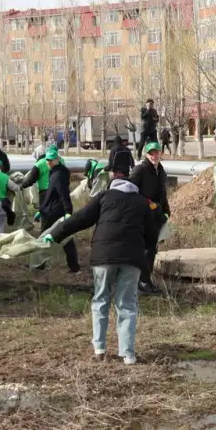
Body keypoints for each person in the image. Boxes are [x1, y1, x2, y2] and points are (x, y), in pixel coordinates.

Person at [44, 151, 160, 365]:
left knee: (101, 300)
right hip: (132, 259)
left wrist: (54, 234)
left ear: (113, 175)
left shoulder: (104, 197)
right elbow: (152, 237)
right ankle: (128, 354)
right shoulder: (142, 203)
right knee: (127, 304)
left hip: (103, 257)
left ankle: (99, 349)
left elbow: (80, 219)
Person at [129, 142, 169, 295]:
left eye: (156, 153)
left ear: (160, 153)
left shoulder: (160, 170)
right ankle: (143, 282)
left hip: (156, 215)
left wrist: (166, 211)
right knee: (147, 249)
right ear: (146, 155)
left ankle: (142, 280)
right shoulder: (140, 170)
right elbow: (130, 190)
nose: (154, 156)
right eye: (151, 153)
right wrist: (146, 203)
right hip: (143, 215)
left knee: (151, 248)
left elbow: (162, 193)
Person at [34, 148, 80, 272]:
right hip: (53, 209)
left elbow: (63, 194)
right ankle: (74, 266)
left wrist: (68, 212)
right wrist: (41, 210)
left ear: (57, 159)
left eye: (51, 160)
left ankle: (39, 265)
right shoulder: (57, 172)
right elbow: (52, 194)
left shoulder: (57, 175)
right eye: (47, 160)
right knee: (66, 238)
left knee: (44, 237)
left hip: (54, 211)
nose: (48, 163)